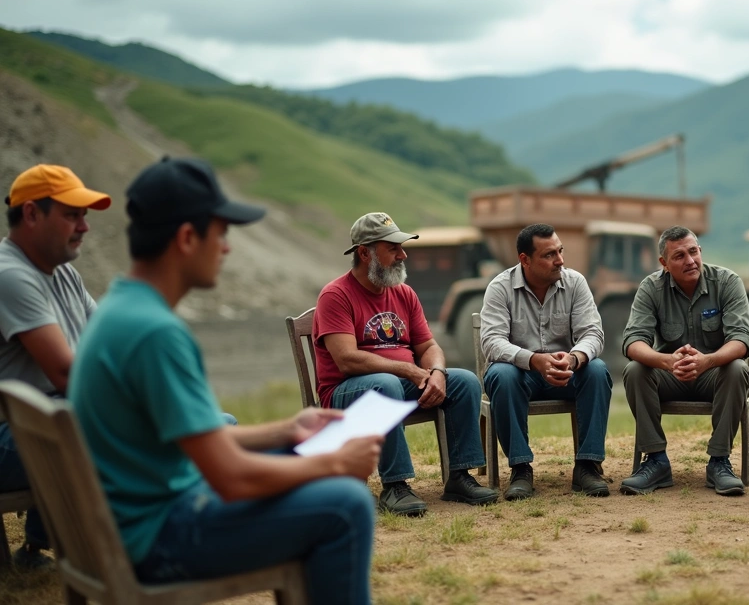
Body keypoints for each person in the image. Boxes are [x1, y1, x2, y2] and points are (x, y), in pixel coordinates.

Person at [70, 157, 380, 604]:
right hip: (154, 538)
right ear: (187, 238)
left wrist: (289, 429)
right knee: (345, 507)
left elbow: (200, 440)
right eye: (221, 233)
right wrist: (337, 463)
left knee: (296, 447)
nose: (227, 248)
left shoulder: (123, 308)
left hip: (132, 517)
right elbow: (230, 478)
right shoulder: (156, 333)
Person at [313, 212, 496, 516]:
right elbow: (346, 359)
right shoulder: (335, 295)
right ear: (364, 253)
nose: (403, 254)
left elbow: (428, 346)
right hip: (348, 393)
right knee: (384, 385)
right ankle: (395, 485)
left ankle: (459, 477)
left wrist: (436, 372)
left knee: (463, 381)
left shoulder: (404, 293)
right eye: (393, 248)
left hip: (400, 385)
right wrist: (409, 369)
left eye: (402, 247)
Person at [0, 164, 110, 568]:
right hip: (10, 435)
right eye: (72, 214)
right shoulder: (10, 276)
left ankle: (40, 549)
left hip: (50, 421)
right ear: (31, 214)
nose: (84, 227)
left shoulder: (65, 273)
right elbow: (68, 373)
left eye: (84, 216)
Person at [480, 224, 613, 499]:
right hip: (521, 376)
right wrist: (533, 360)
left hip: (566, 373)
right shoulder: (500, 287)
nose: (560, 260)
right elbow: (491, 342)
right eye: (550, 254)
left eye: (560, 251)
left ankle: (587, 466)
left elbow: (593, 333)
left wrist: (575, 359)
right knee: (501, 375)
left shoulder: (575, 282)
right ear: (525, 260)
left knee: (597, 370)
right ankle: (520, 469)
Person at [620, 226, 749, 496]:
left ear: (700, 251)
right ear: (664, 264)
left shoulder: (727, 282)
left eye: (693, 252)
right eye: (679, 256)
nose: (690, 261)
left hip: (714, 375)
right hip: (671, 375)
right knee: (635, 370)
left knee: (737, 369)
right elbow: (632, 342)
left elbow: (741, 340)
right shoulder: (651, 287)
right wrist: (666, 361)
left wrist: (708, 361)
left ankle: (719, 462)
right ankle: (656, 461)